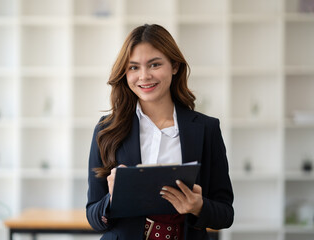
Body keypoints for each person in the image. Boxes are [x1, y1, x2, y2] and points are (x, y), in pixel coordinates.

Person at [86, 24, 234, 240]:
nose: (144, 76)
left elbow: (225, 214)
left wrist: (198, 206)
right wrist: (111, 199)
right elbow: (93, 217)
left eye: (154, 64)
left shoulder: (207, 129)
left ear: (174, 66)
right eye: (134, 67)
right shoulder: (107, 129)